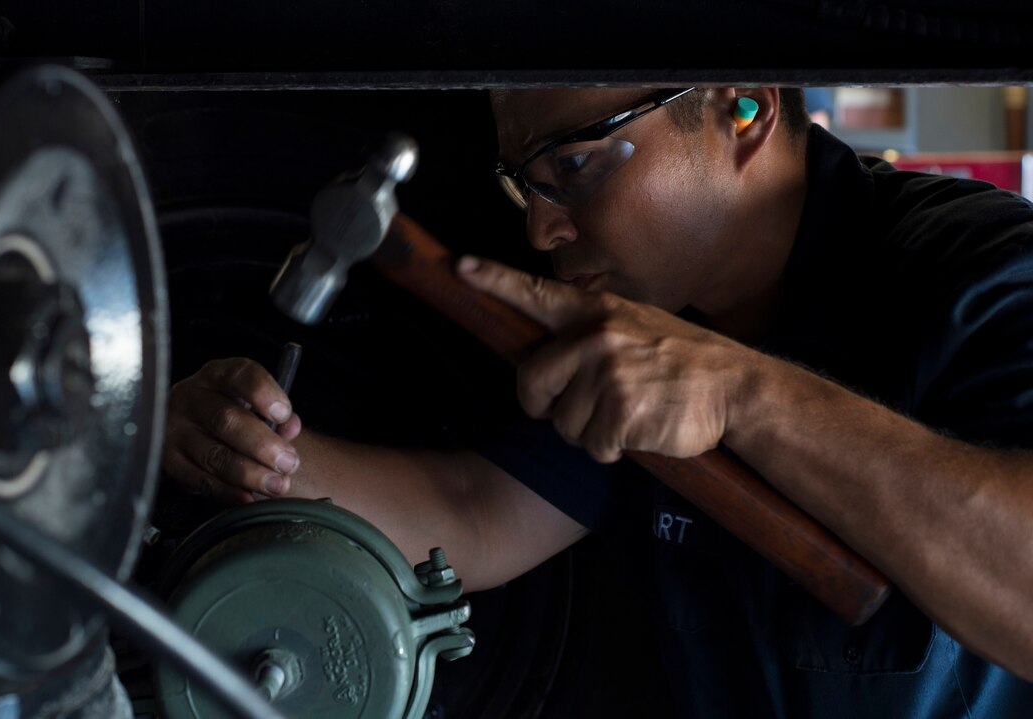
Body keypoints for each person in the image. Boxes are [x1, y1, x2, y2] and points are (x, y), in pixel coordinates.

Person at [160, 87, 1033, 717]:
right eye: (524, 183)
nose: (541, 228)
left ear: (743, 108)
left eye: (573, 168)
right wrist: (222, 444)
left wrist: (744, 393)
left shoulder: (979, 278)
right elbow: (471, 515)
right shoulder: (637, 325)